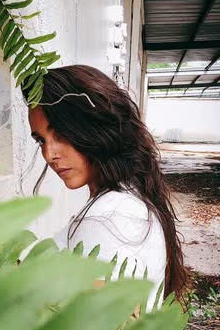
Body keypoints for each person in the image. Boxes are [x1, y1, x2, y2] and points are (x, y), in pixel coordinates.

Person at [23, 64, 186, 310]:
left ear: (95, 128)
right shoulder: (124, 196)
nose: (49, 154)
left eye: (61, 134)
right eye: (41, 140)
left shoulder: (111, 218)